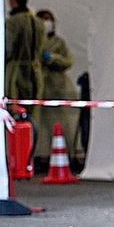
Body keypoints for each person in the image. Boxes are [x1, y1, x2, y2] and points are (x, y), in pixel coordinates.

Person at [33, 9, 84, 167]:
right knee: (41, 126)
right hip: (40, 87)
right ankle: (41, 156)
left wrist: (53, 58)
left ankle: (69, 154)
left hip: (59, 88)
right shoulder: (33, 44)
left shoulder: (58, 42)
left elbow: (68, 61)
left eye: (49, 20)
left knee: (63, 124)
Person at [3, 0, 44, 111]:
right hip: (36, 73)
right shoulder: (38, 22)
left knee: (15, 113)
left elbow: (8, 49)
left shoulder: (12, 22)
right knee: (33, 113)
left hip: (15, 74)